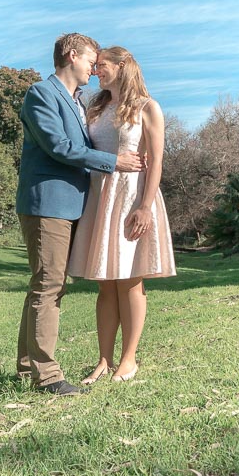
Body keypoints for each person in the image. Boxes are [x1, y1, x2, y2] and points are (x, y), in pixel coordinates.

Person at [16, 33, 144, 396]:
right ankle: (48, 376)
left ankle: (28, 367)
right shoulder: (41, 94)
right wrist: (113, 162)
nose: (94, 67)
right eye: (91, 60)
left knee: (45, 283)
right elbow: (58, 146)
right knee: (49, 286)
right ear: (72, 56)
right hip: (48, 204)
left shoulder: (78, 101)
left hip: (71, 205)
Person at [67, 45, 175, 384]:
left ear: (123, 65)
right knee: (105, 284)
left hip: (131, 196)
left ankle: (129, 359)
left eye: (102, 65)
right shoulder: (95, 107)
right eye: (95, 66)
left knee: (130, 280)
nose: (97, 71)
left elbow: (155, 160)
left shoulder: (148, 107)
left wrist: (145, 206)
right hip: (100, 196)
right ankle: (103, 359)